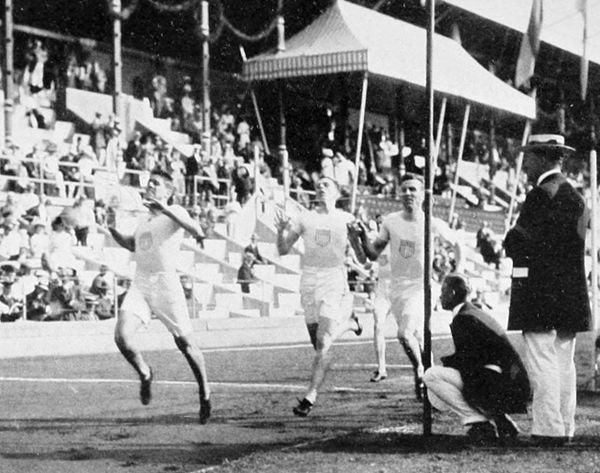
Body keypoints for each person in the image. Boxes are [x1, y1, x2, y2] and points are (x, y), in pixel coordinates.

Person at [103, 169, 212, 423]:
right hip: (141, 282)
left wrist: (166, 208)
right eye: (148, 182)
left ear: (168, 191)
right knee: (122, 337)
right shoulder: (144, 221)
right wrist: (112, 229)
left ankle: (205, 391)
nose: (149, 186)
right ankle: (145, 372)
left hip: (166, 283)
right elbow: (132, 245)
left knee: (185, 344)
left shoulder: (175, 213)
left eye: (155, 184)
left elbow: (198, 231)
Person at [504, 134, 591, 445]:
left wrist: (508, 242)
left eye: (529, 156)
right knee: (563, 362)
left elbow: (519, 240)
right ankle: (564, 426)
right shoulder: (577, 197)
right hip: (571, 293)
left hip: (541, 292)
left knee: (542, 359)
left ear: (542, 157)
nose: (525, 163)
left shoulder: (541, 195)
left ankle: (547, 428)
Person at [351, 173, 463, 398]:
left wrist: (457, 271)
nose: (408, 193)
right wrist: (361, 237)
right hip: (396, 288)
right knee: (414, 339)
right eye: (404, 189)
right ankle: (426, 372)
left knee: (404, 334)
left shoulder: (432, 222)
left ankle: (420, 371)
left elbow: (458, 244)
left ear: (422, 195)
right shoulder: (391, 221)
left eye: (413, 189)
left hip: (421, 287)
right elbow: (372, 254)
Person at [275, 175, 362, 417]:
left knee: (323, 343)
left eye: (326, 185)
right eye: (318, 185)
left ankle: (310, 396)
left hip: (333, 278)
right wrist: (280, 231)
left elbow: (362, 257)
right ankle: (349, 324)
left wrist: (356, 238)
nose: (321, 188)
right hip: (309, 279)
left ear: (337, 192)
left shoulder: (346, 218)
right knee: (319, 344)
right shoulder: (305, 218)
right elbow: (283, 249)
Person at [423, 274, 530, 444]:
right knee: (466, 375)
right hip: (511, 382)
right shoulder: (472, 312)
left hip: (503, 385)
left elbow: (470, 362)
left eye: (443, 291)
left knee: (431, 376)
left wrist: (446, 364)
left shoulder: (464, 318)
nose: (440, 296)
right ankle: (500, 419)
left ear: (452, 293)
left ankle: (479, 423)